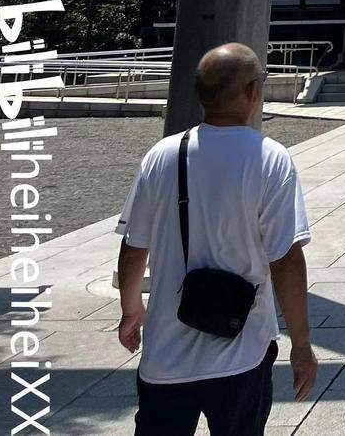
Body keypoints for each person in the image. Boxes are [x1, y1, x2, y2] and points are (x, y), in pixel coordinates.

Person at [115, 44, 316, 434]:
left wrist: (131, 309)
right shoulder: (270, 159)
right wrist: (302, 346)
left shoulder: (161, 155)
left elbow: (133, 246)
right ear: (254, 91)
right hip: (241, 350)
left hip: (166, 355)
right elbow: (286, 260)